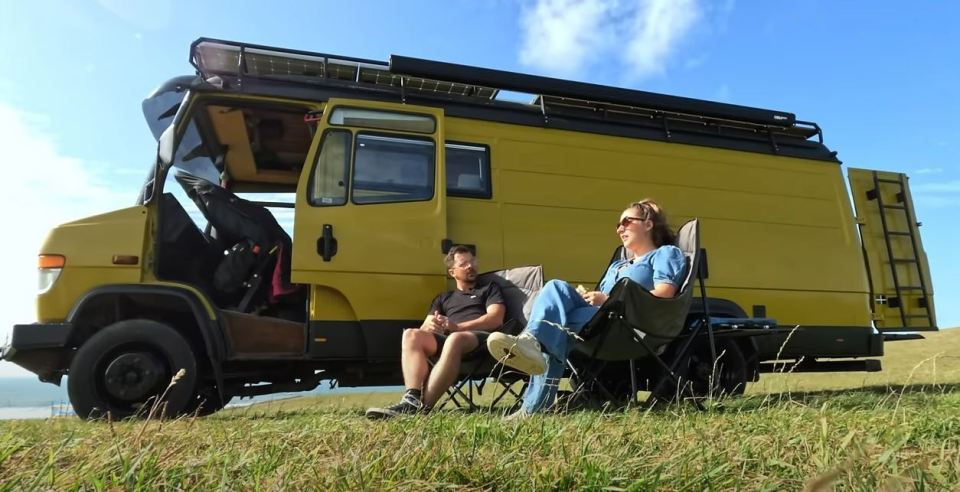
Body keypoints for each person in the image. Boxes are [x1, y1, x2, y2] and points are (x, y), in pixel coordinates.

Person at [486, 199, 686, 416]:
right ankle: (532, 352)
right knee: (556, 292)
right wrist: (591, 297)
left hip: (631, 326)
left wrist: (608, 300)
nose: (620, 228)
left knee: (554, 327)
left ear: (648, 224)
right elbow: (604, 299)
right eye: (617, 225)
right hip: (602, 322)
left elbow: (665, 294)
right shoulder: (619, 265)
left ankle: (532, 379)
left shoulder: (665, 253)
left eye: (626, 221)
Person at [366, 245, 506, 419]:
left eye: (472, 261)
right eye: (463, 264)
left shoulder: (489, 289)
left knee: (455, 338)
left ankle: (422, 410)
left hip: (480, 340)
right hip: (448, 340)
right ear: (452, 272)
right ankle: (412, 399)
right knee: (411, 334)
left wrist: (457, 327)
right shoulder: (443, 299)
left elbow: (495, 319)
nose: (470, 266)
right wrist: (431, 326)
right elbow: (425, 326)